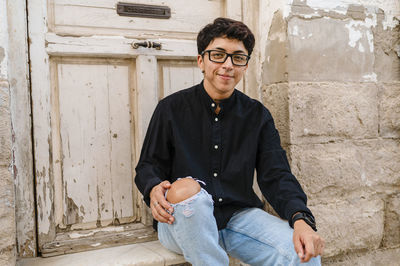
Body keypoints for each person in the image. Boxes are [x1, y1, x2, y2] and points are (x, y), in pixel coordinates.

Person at [135, 17, 325, 266]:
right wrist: (153, 188)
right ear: (201, 61)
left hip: (237, 219)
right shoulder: (171, 108)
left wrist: (301, 220)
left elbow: (276, 175)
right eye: (218, 55)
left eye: (237, 57)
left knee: (303, 255)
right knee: (187, 189)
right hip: (183, 220)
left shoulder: (257, 115)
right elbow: (148, 165)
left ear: (245, 66)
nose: (227, 65)